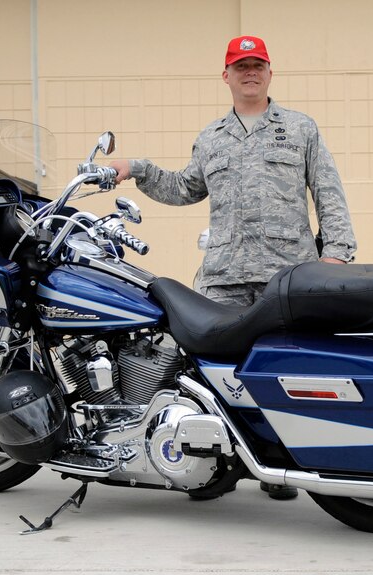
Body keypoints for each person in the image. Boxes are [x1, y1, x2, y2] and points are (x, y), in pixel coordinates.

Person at [110, 35, 357, 500]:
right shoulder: (211, 138)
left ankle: (282, 469)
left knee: (280, 375)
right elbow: (184, 188)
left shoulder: (301, 129)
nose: (250, 72)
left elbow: (328, 191)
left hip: (286, 275)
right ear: (226, 75)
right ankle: (212, 468)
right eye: (240, 66)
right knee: (212, 374)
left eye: (257, 65)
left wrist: (337, 253)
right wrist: (138, 167)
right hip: (222, 277)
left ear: (269, 73)